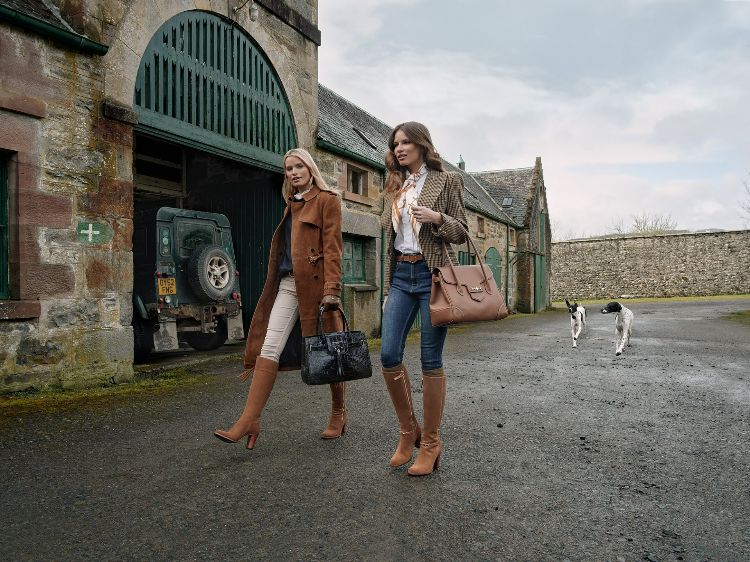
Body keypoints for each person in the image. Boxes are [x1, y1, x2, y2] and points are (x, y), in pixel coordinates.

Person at [214, 148, 346, 449]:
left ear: (311, 168)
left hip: (317, 289)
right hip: (289, 284)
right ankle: (249, 420)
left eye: (299, 166)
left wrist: (332, 291)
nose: (294, 172)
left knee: (329, 351)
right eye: (288, 168)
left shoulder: (328, 200)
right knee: (269, 345)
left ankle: (338, 411)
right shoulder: (291, 204)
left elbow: (333, 249)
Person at [379, 121, 467, 476]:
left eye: (405, 143)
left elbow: (460, 230)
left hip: (433, 277)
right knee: (388, 354)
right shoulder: (395, 184)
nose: (399, 148)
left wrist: (437, 217)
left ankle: (430, 443)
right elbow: (387, 232)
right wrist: (394, 196)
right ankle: (407, 433)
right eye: (395, 144)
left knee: (430, 358)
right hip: (401, 275)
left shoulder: (447, 181)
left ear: (420, 145)